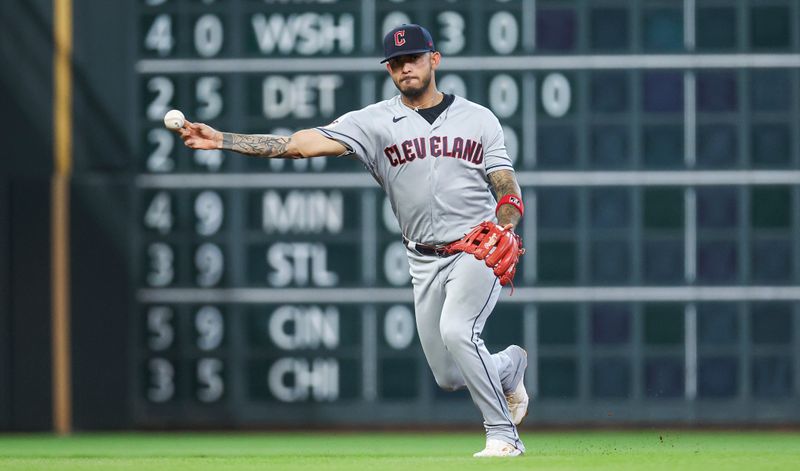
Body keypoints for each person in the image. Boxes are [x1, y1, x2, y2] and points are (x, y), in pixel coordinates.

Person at [174, 24, 529, 458]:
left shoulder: (478, 118)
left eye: (413, 58)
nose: (404, 68)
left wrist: (506, 223)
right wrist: (223, 140)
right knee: (450, 376)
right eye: (396, 63)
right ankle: (508, 367)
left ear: (434, 60)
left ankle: (503, 437)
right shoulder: (374, 122)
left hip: (477, 248)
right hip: (423, 259)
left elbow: (505, 184)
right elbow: (296, 144)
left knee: (459, 329)